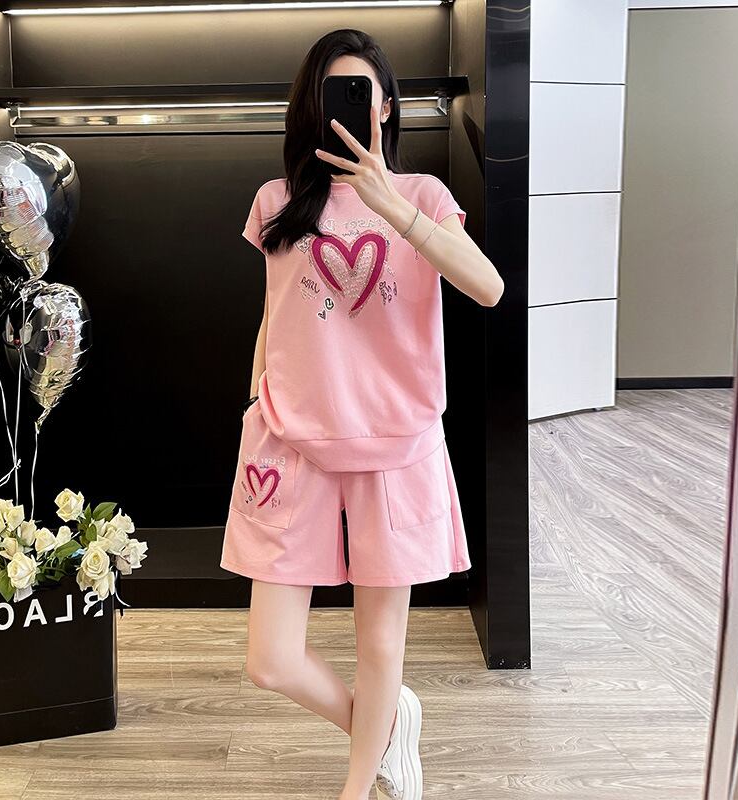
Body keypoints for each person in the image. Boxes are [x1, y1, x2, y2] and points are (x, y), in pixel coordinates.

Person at [221, 28, 504, 800]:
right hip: (290, 442)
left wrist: (390, 206)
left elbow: (487, 287)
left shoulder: (424, 197)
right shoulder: (277, 202)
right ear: (310, 109)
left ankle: (357, 787)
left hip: (396, 444)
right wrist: (255, 402)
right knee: (270, 660)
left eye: (361, 91)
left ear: (386, 106)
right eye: (331, 93)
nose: (348, 105)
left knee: (380, 643)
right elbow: (275, 312)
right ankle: (383, 727)